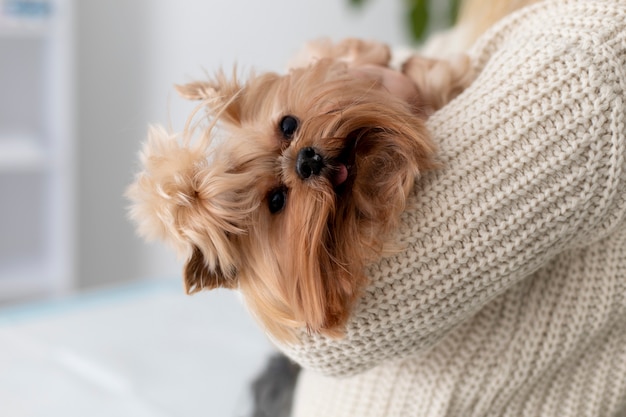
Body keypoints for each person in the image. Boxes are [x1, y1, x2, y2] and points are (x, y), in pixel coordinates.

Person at [272, 1, 626, 416]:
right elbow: (431, 62)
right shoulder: (515, 15)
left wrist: (232, 222)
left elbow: (319, 330)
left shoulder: (590, 67)